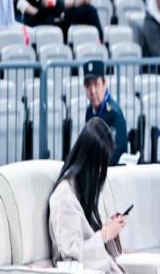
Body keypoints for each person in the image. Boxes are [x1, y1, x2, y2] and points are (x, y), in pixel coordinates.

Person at [49, 117, 127, 273]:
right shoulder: (64, 196)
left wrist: (108, 230)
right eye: (99, 165)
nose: (100, 172)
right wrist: (105, 234)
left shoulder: (82, 191)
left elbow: (90, 241)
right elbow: (71, 260)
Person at [84, 60, 128, 166]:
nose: (92, 91)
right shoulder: (89, 111)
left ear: (104, 84)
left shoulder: (113, 114)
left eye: (96, 84)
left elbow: (114, 154)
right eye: (88, 85)